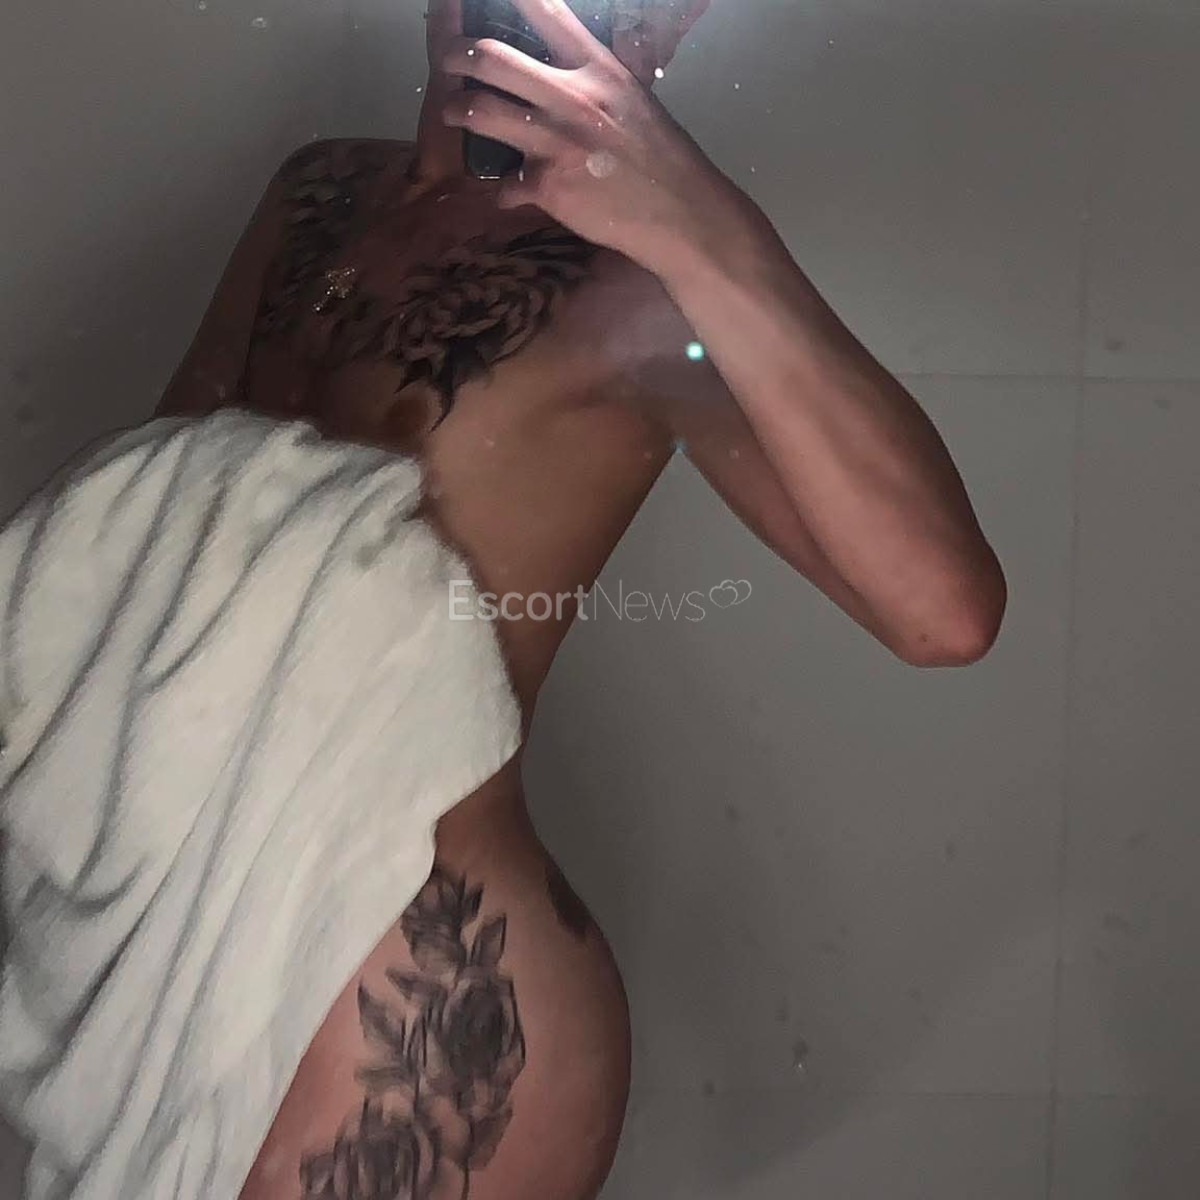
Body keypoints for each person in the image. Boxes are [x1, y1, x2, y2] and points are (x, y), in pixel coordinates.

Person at [0, 2, 1006, 1198]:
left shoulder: (644, 287)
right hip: (166, 930)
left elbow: (942, 611)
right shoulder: (317, 192)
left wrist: (707, 230)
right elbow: (151, 537)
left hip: (413, 1001)